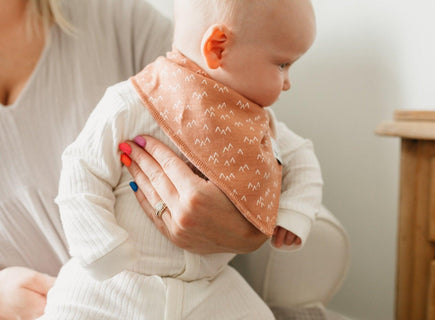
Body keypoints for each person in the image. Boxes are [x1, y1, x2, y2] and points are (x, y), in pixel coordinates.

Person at [38, 0, 320, 319]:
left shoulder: (256, 123)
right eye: (282, 65)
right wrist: (100, 246)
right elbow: (81, 168)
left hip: (209, 287)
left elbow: (302, 157)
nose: (288, 82)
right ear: (218, 48)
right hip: (118, 283)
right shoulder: (132, 103)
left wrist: (294, 212)